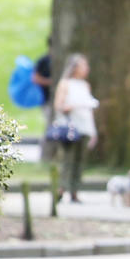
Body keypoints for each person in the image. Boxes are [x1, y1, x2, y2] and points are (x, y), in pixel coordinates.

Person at [52, 53, 99, 203]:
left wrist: (93, 131)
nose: (87, 69)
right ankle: (62, 187)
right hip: (71, 127)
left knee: (80, 160)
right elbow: (58, 105)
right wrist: (71, 106)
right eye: (83, 65)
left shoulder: (85, 85)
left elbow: (89, 110)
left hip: (85, 126)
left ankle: (75, 189)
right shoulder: (65, 84)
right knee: (68, 158)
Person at [33, 36, 55, 161]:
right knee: (49, 126)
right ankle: (46, 154)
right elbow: (35, 78)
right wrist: (50, 82)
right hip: (47, 100)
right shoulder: (44, 61)